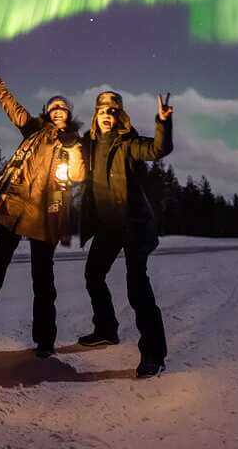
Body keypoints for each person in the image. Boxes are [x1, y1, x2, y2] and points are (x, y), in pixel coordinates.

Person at [0, 58, 85, 358]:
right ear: (48, 113)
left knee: (43, 279)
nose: (58, 111)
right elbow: (12, 106)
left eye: (63, 109)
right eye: (53, 108)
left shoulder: (74, 142)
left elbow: (80, 175)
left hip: (47, 215)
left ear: (68, 115)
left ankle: (45, 339)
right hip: (15, 206)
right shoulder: (32, 129)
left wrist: (72, 148)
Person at [78, 90, 173, 378]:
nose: (107, 115)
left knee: (137, 287)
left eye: (113, 111)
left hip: (134, 226)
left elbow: (157, 149)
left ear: (119, 116)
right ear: (96, 115)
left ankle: (154, 355)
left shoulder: (129, 144)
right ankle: (106, 329)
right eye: (102, 111)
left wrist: (163, 122)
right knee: (93, 275)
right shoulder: (89, 145)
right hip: (107, 227)